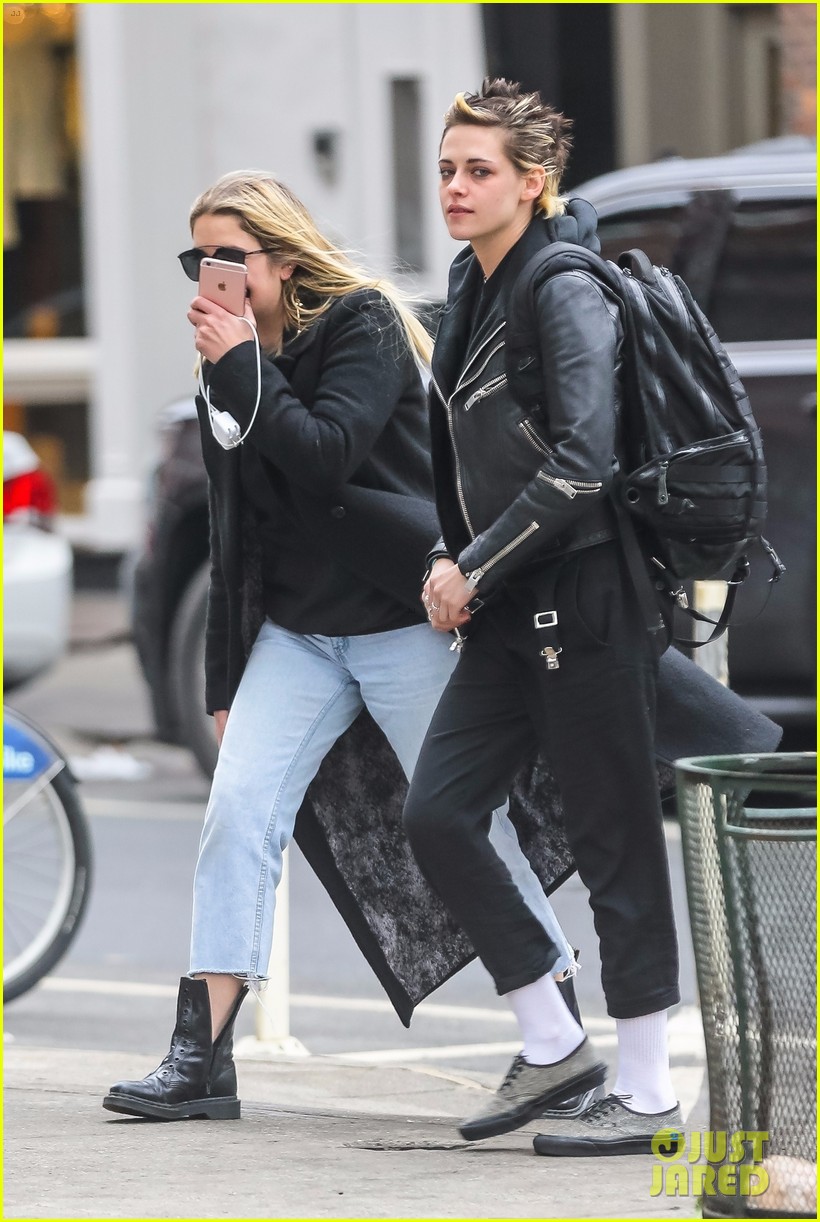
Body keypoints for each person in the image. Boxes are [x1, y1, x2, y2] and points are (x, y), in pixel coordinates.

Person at [102, 169, 581, 1122]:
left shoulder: (360, 324)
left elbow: (327, 453)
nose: (212, 276)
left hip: (403, 618)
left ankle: (557, 1035)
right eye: (198, 259)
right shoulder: (225, 364)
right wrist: (223, 677)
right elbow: (232, 535)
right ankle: (202, 1054)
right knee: (237, 810)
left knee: (466, 823)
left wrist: (244, 366)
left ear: (281, 258)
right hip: (298, 636)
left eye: (230, 256)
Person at [403, 78, 686, 1153]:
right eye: (446, 168)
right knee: (438, 812)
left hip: (588, 598)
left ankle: (650, 1092)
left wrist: (471, 565)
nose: (455, 187)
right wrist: (452, 553)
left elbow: (583, 461)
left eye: (478, 170)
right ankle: (554, 1040)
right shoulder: (471, 284)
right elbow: (464, 460)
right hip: (509, 603)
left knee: (615, 839)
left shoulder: (562, 284)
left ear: (534, 182)